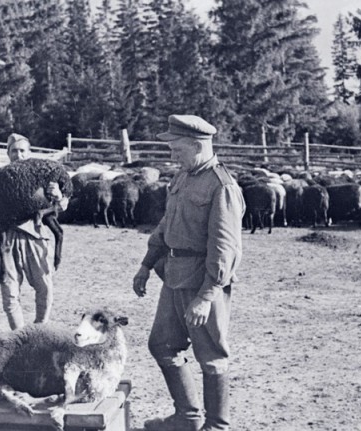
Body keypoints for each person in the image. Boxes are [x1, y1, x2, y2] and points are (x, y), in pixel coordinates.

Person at [132, 115, 245, 431]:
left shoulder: (222, 187)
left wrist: (206, 296)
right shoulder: (183, 177)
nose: (172, 156)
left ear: (198, 145)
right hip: (173, 275)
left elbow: (226, 249)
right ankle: (188, 417)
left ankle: (217, 426)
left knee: (211, 356)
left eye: (177, 150)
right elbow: (166, 226)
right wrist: (145, 264)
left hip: (203, 281)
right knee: (162, 345)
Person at [0, 133, 68, 330]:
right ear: (8, 153)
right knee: (10, 291)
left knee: (44, 286)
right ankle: (19, 336)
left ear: (29, 153)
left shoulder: (42, 178)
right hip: (4, 240)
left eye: (22, 151)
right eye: (14, 151)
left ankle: (40, 329)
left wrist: (58, 196)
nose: (18, 155)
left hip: (34, 237)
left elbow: (61, 206)